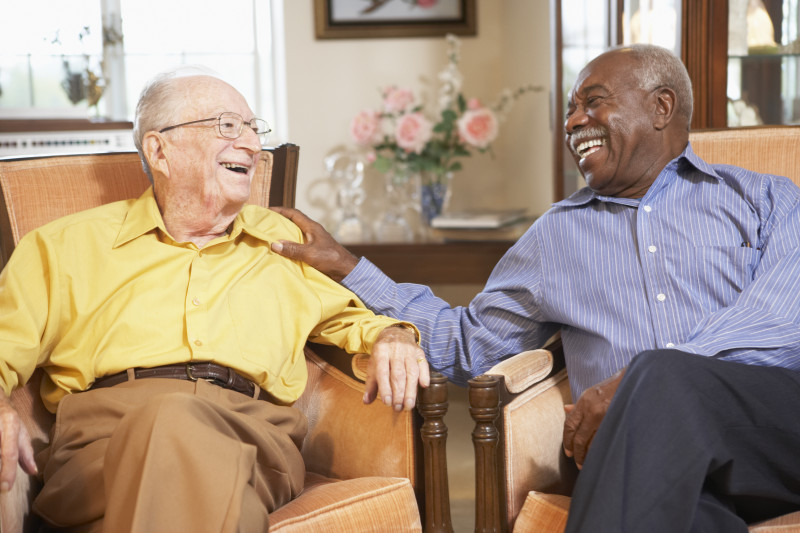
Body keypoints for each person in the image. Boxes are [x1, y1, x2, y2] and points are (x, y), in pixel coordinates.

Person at [270, 44, 800, 531]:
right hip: (640, 460)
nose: (572, 122)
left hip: (771, 436)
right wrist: (348, 266)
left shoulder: (767, 199)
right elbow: (470, 345)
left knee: (659, 375)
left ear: (662, 108)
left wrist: (631, 388)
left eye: (593, 102)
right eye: (570, 110)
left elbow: (783, 319)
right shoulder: (557, 236)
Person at [0, 70, 429, 533]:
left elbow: (353, 320)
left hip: (252, 436)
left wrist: (394, 334)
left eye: (253, 128)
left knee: (176, 426)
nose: (252, 145)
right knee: (214, 491)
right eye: (228, 126)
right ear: (158, 150)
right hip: (102, 441)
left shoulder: (282, 242)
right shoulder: (62, 246)